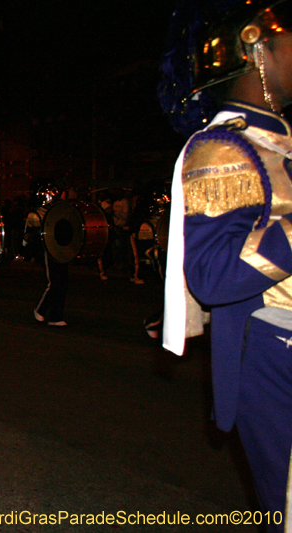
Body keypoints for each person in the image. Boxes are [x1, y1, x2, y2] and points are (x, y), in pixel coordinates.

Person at [160, 1, 292, 530]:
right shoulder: (223, 147)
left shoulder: (278, 141)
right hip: (275, 353)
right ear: (257, 47)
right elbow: (211, 275)